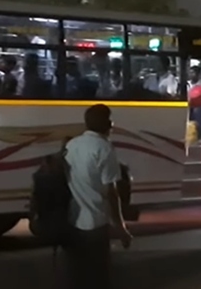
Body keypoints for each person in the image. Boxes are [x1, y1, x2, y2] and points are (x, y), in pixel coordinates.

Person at [63, 103, 132, 289]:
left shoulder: (72, 145)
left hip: (74, 219)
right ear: (108, 124)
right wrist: (121, 228)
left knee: (78, 274)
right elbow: (111, 192)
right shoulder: (104, 148)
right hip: (96, 223)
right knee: (99, 275)